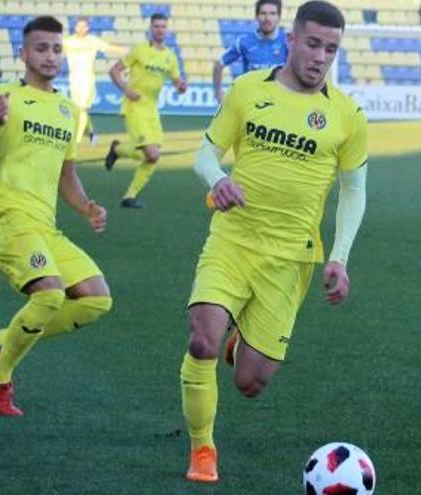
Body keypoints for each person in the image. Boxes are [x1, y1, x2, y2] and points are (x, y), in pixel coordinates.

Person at [181, 0, 368, 483]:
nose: (320, 55)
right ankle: (203, 449)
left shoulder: (346, 114)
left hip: (290, 260)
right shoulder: (247, 89)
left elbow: (354, 190)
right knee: (203, 341)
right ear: (290, 40)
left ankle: (241, 335)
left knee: (250, 383)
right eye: (312, 43)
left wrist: (340, 258)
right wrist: (216, 179)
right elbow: (205, 154)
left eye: (331, 48)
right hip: (233, 241)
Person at [0, 16, 112, 416]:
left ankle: (5, 337)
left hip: (44, 227)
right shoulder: (4, 97)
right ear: (24, 54)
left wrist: (86, 208)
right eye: (41, 48)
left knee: (97, 300)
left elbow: (67, 173)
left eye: (56, 48)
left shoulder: (68, 111)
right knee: (49, 292)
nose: (50, 56)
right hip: (7, 219)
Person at [105, 13, 187, 208]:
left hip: (152, 110)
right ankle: (117, 150)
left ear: (167, 29)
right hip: (135, 107)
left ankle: (129, 196)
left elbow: (177, 82)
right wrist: (126, 89)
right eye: (157, 26)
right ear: (151, 29)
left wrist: (181, 86)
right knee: (152, 154)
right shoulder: (139, 50)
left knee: (154, 155)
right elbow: (114, 70)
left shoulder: (170, 56)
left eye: (163, 26)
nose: (160, 29)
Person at [212, 0, 288, 104]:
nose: (267, 18)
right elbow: (219, 65)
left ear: (279, 17)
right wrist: (218, 94)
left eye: (272, 14)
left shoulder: (288, 42)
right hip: (251, 103)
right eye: (263, 13)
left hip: (279, 103)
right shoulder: (244, 42)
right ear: (256, 16)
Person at [64, 17, 124, 145]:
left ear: (88, 28)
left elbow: (108, 48)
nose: (81, 28)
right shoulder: (68, 42)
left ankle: (76, 141)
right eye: (79, 26)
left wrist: (128, 51)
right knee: (77, 110)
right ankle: (91, 132)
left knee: (81, 109)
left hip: (87, 80)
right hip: (73, 80)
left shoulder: (93, 41)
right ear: (75, 27)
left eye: (84, 26)